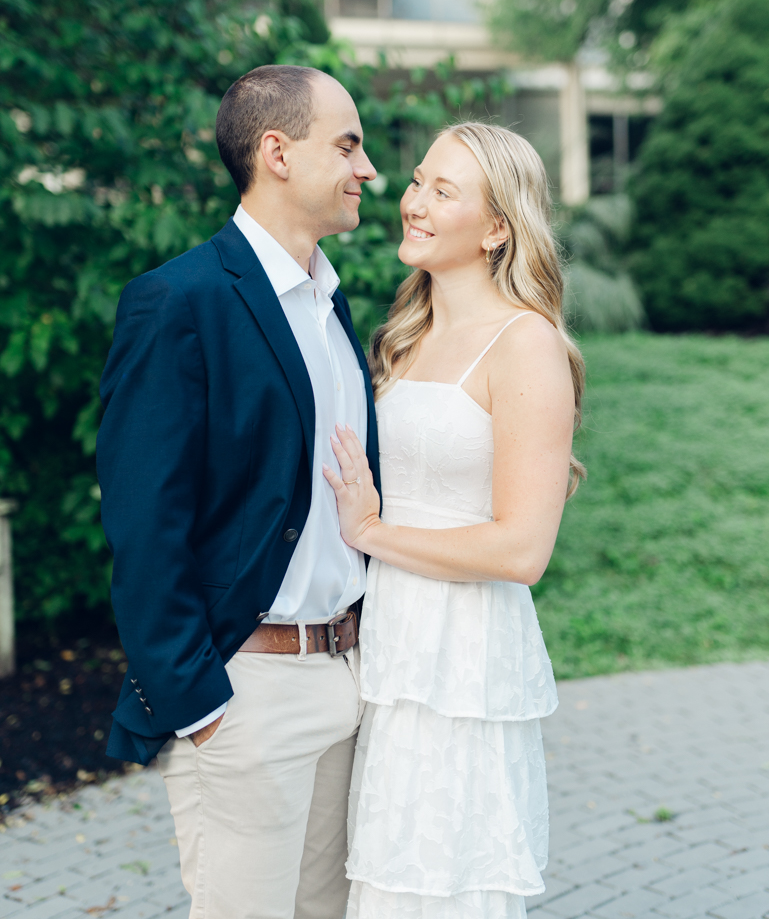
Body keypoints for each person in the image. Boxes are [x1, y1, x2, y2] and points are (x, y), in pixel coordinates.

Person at [96, 64, 380, 919]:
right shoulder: (177, 301)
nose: (367, 170)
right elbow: (145, 526)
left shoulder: (332, 306)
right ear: (277, 152)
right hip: (248, 691)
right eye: (347, 144)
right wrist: (203, 704)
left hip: (350, 675)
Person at [323, 122, 585, 918]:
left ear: (499, 225)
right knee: (384, 880)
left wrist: (371, 536)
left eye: (445, 191)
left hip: (464, 659)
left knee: (443, 885)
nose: (414, 203)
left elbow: (522, 548)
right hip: (391, 647)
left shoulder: (525, 344)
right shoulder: (405, 336)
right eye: (415, 182)